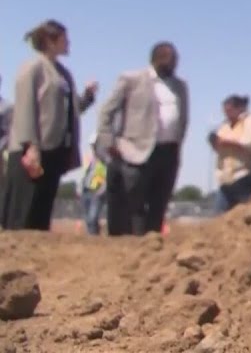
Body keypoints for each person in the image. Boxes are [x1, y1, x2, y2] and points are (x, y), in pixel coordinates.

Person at [1, 20, 98, 231]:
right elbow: (25, 108)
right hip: (31, 150)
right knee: (23, 212)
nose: (69, 43)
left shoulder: (63, 73)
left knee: (41, 212)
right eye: (64, 39)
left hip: (54, 149)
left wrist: (88, 97)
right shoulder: (32, 68)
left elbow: (67, 111)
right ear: (50, 41)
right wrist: (30, 146)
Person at [95, 41, 189, 236]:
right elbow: (106, 112)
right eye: (170, 60)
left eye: (175, 60)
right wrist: (109, 142)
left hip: (168, 152)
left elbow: (183, 119)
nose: (174, 64)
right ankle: (128, 244)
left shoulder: (180, 86)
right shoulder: (132, 79)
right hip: (136, 151)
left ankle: (152, 243)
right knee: (132, 205)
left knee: (159, 204)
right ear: (157, 59)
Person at [208, 94, 251, 212]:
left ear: (240, 108)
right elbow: (219, 148)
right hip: (226, 181)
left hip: (247, 178)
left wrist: (226, 142)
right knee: (219, 218)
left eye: (229, 111)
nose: (226, 114)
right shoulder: (225, 126)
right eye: (225, 111)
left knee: (249, 214)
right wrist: (214, 142)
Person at [78, 146, 108, 235]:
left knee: (92, 217)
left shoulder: (104, 163)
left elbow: (106, 179)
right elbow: (83, 176)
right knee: (88, 218)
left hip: (96, 192)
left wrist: (101, 191)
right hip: (85, 191)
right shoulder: (88, 160)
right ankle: (92, 235)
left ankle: (94, 236)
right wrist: (79, 189)